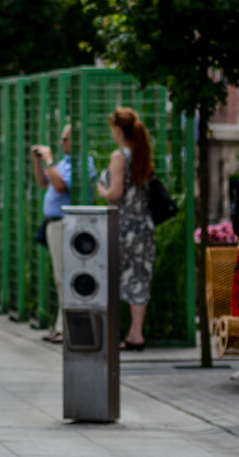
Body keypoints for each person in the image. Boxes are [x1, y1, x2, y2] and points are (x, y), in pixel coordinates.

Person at [32, 123, 97, 343]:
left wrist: (49, 159)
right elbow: (44, 183)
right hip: (54, 224)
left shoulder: (83, 163)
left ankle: (67, 327)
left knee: (66, 277)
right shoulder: (65, 162)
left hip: (67, 225)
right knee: (60, 276)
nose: (61, 143)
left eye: (65, 139)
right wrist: (38, 163)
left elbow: (60, 186)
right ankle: (62, 326)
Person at [96, 107, 154, 351]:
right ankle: (136, 333)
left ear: (118, 129)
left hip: (124, 227)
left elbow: (116, 192)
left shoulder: (120, 156)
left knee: (115, 278)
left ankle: (114, 333)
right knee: (139, 278)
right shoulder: (141, 152)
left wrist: (102, 190)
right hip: (144, 226)